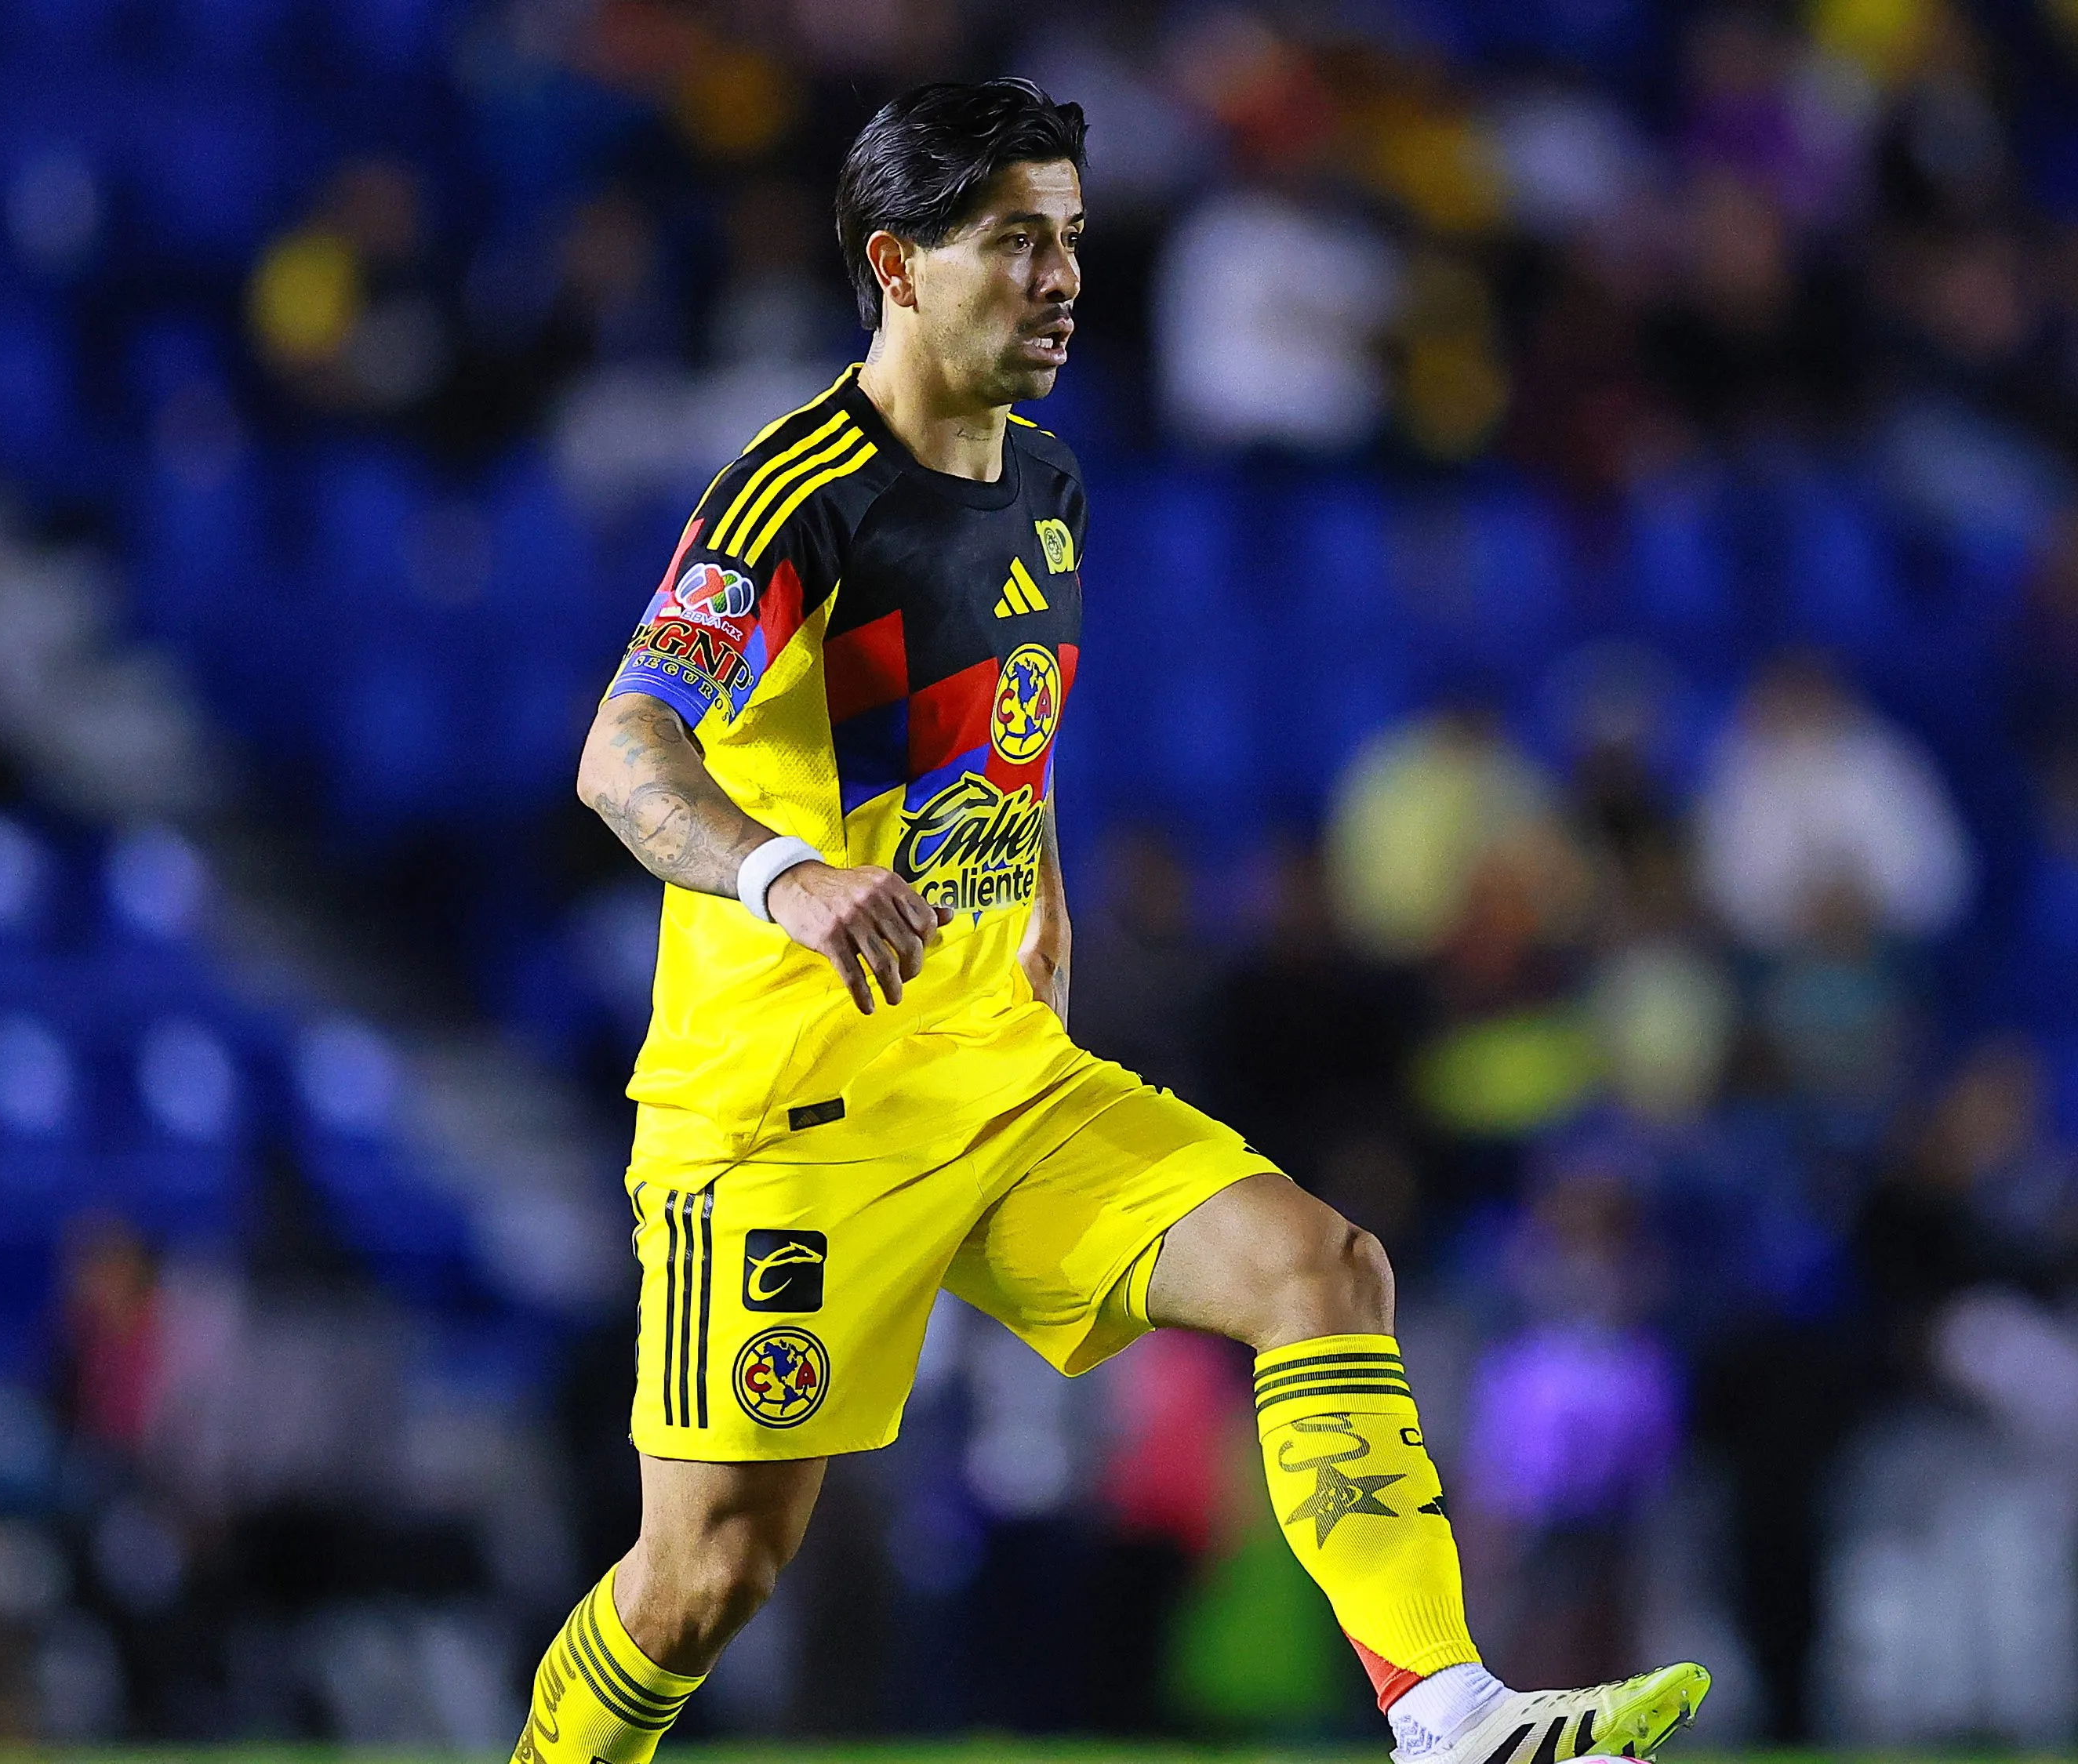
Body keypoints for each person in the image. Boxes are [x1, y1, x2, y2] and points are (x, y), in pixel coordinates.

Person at [521, 79, 1709, 1764]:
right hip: (785, 1117)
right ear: (897, 265)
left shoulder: (1049, 483)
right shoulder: (794, 496)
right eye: (1018, 242)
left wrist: (1045, 914)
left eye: (1073, 239)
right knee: (703, 1579)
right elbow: (619, 749)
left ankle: (1447, 1719)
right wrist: (786, 874)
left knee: (1322, 1264)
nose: (1065, 277)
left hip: (998, 1075)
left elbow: (1013, 734)